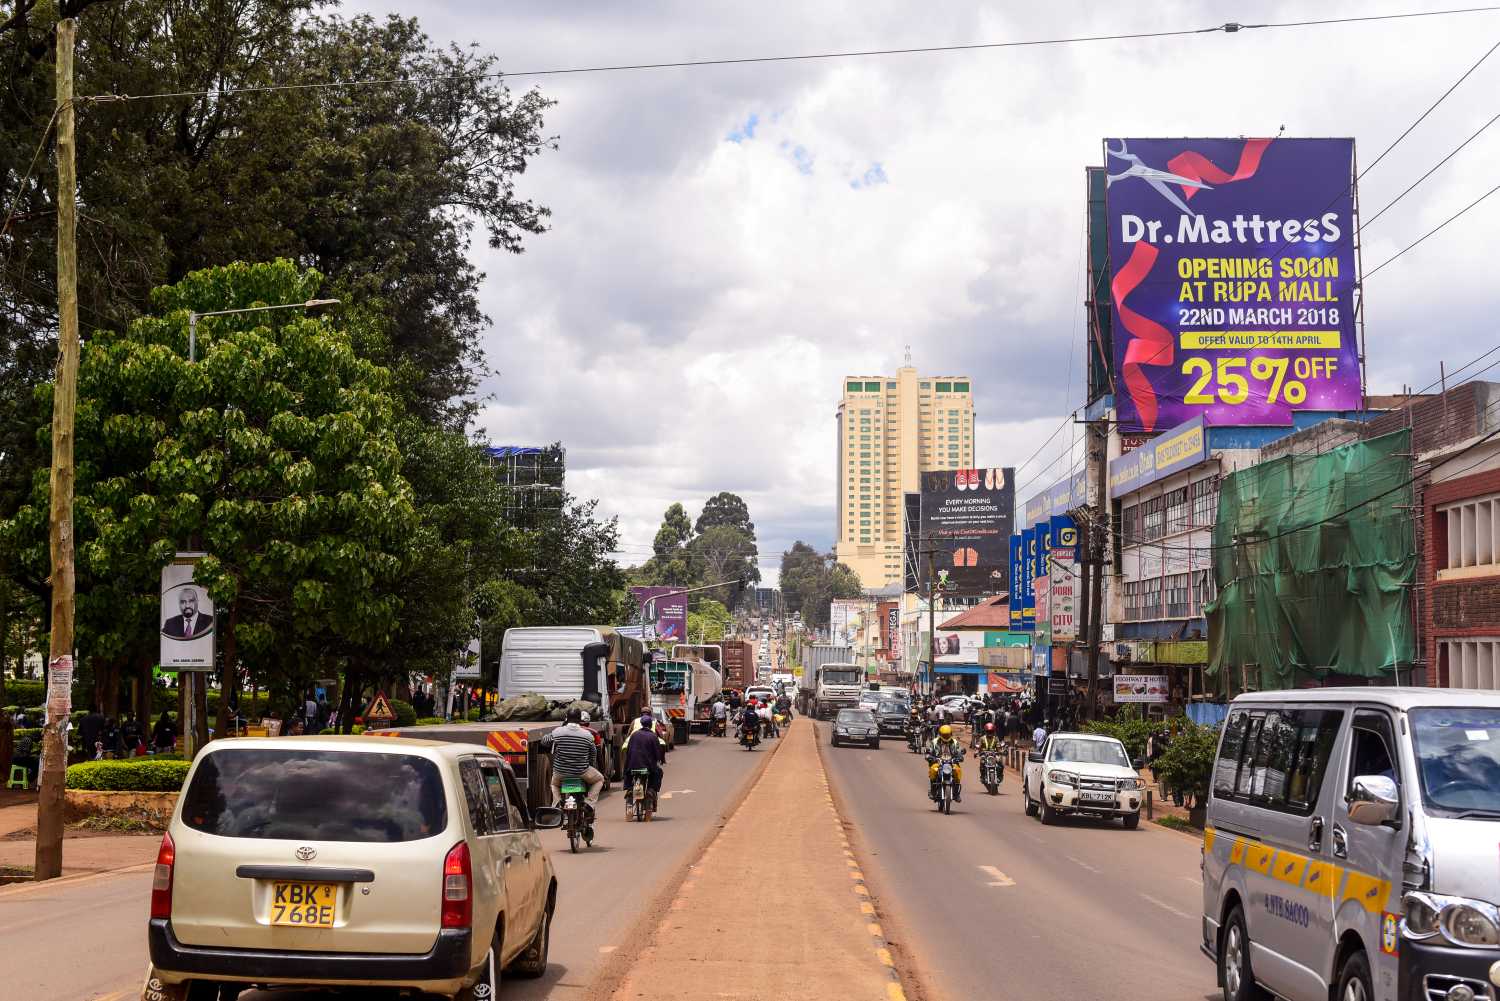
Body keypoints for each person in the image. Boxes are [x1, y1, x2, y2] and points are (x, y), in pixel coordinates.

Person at [538, 708, 605, 815]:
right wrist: (590, 765)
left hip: (560, 772)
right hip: (582, 771)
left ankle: (557, 802)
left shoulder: (558, 732)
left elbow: (544, 741)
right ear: (580, 719)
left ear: (566, 719)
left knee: (554, 784)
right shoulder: (587, 735)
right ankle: (589, 803)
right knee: (600, 779)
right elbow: (593, 753)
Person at [623, 713, 666, 819]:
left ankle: (629, 789)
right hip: (648, 767)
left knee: (627, 773)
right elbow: (657, 753)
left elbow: (628, 751)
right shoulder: (653, 736)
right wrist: (660, 759)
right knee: (658, 773)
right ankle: (651, 790)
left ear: (641, 724)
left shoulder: (634, 735)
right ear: (650, 725)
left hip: (633, 765)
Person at [926, 723, 965, 802]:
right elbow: (929, 751)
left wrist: (960, 756)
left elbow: (959, 751)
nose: (946, 737)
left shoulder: (954, 742)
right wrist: (929, 756)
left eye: (947, 735)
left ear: (950, 734)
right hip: (938, 762)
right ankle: (933, 791)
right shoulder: (934, 742)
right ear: (940, 734)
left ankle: (956, 793)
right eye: (944, 735)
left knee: (957, 770)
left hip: (952, 763)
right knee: (933, 770)